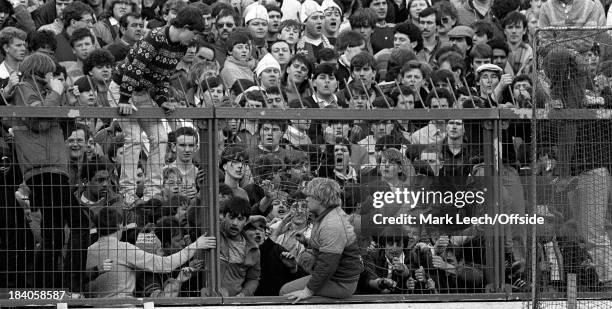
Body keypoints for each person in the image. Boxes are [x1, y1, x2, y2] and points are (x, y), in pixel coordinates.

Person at [12, 52, 91, 291]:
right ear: (39, 71)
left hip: (52, 167)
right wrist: (56, 92)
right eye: (50, 74)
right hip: (42, 169)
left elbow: (57, 129)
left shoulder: (38, 91)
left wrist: (68, 101)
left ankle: (43, 289)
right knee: (80, 222)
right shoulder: (24, 89)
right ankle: (71, 287)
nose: (53, 78)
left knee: (54, 234)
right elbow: (40, 122)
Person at [113, 5, 205, 204]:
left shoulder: (179, 47)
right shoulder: (154, 38)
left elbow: (162, 78)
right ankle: (127, 194)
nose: (194, 40)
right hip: (122, 87)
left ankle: (152, 193)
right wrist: (124, 99)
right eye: (194, 33)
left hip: (144, 92)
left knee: (161, 138)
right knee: (134, 138)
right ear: (185, 27)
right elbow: (133, 68)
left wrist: (163, 100)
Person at [86, 207, 216, 298]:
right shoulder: (125, 249)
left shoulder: (87, 251)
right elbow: (165, 264)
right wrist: (196, 245)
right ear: (120, 225)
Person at [280, 178, 363, 302]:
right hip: (336, 277)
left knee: (286, 293)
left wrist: (307, 291)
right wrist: (307, 241)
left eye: (310, 195)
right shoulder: (326, 215)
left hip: (341, 283)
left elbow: (327, 265)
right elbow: (331, 246)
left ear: (321, 199)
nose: (306, 199)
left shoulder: (332, 224)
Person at [218, 196, 261, 297]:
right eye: (231, 217)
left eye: (240, 219)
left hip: (235, 303)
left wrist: (244, 294)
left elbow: (253, 279)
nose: (235, 223)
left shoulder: (253, 250)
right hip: (209, 299)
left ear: (246, 221)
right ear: (224, 216)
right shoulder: (213, 236)